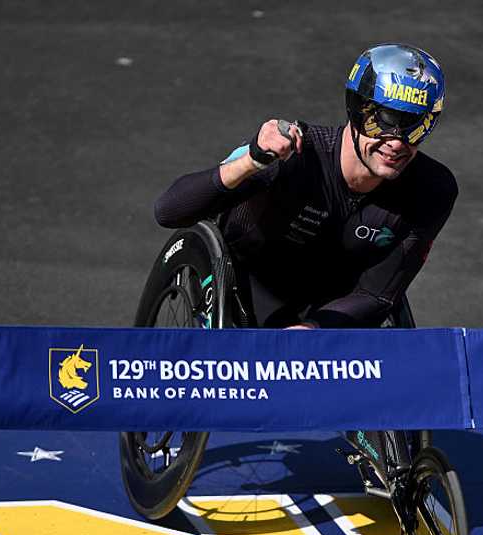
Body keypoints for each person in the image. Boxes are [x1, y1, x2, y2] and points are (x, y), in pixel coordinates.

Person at [153, 43, 457, 331]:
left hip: (332, 310)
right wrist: (253, 160)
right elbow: (169, 211)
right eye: (384, 121)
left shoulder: (432, 189)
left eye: (416, 126)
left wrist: (315, 328)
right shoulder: (295, 153)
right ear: (356, 109)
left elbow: (378, 294)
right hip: (247, 285)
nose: (396, 142)